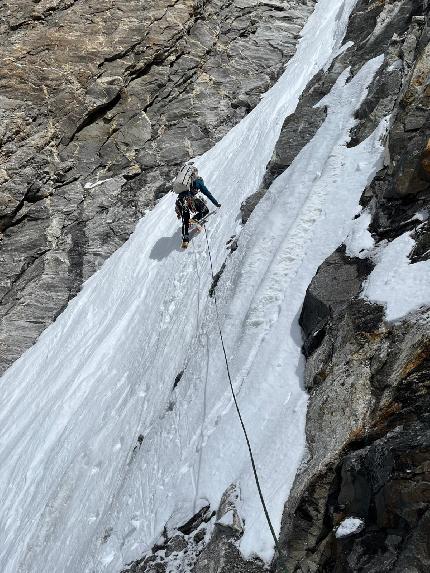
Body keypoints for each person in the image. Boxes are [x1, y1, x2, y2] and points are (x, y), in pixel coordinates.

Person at [175, 167, 221, 247]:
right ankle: (194, 219)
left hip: (180, 201)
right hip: (189, 199)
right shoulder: (199, 182)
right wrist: (216, 203)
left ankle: (185, 241)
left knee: (185, 219)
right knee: (205, 210)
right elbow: (208, 194)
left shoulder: (185, 183)